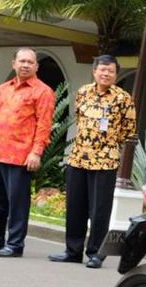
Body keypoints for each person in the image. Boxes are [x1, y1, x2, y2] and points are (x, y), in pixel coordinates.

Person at [48, 55, 136, 269]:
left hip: (105, 161)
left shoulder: (123, 98)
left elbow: (129, 131)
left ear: (116, 75)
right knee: (75, 206)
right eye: (102, 69)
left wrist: (106, 143)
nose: (106, 74)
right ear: (94, 71)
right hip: (78, 158)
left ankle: (96, 253)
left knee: (99, 210)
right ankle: (72, 250)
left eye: (111, 71)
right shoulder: (83, 92)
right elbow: (79, 118)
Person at [0, 47, 55, 257]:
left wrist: (36, 152)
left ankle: (15, 245)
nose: (25, 65)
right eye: (22, 61)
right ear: (14, 64)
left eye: (30, 62)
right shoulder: (3, 88)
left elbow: (44, 125)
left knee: (17, 204)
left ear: (36, 66)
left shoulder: (43, 91)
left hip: (20, 157)